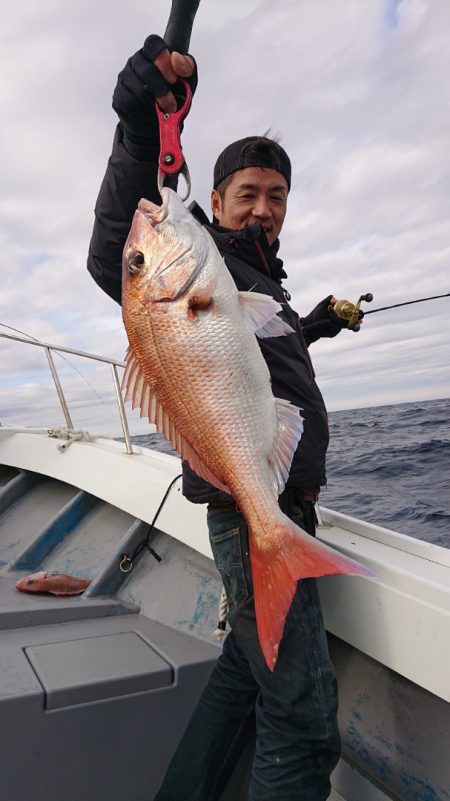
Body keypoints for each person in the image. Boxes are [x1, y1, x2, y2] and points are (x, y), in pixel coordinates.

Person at [87, 34, 356, 801]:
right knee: (301, 727)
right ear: (218, 199)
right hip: (253, 513)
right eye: (249, 194)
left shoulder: (247, 277)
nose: (265, 208)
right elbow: (117, 258)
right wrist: (143, 128)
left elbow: (261, 341)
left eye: (278, 196)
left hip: (267, 497)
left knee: (243, 676)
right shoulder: (200, 257)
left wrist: (319, 324)